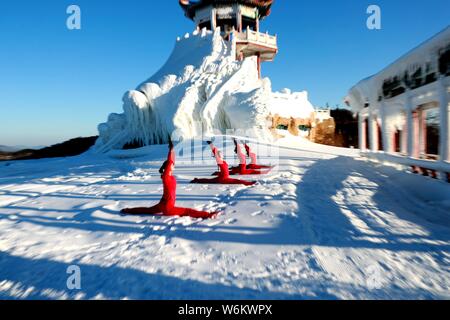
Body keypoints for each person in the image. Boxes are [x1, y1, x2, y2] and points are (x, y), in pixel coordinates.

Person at [121, 139, 217, 219]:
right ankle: (207, 215)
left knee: (148, 210)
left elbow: (171, 162)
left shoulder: (168, 176)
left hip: (162, 204)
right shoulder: (167, 177)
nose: (173, 166)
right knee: (187, 211)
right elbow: (170, 162)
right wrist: (171, 150)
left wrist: (172, 150)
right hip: (168, 208)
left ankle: (128, 210)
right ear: (168, 168)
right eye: (171, 166)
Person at [191, 141, 256, 186]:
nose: (222, 154)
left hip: (223, 177)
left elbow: (216, 152)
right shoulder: (220, 161)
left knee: (209, 180)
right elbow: (215, 152)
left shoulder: (222, 161)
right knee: (237, 181)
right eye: (220, 154)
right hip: (224, 179)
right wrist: (211, 144)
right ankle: (249, 183)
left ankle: (197, 180)